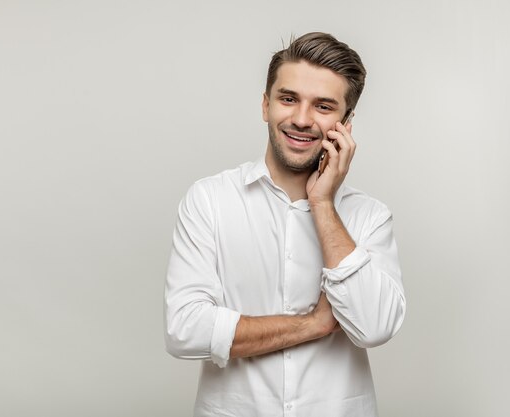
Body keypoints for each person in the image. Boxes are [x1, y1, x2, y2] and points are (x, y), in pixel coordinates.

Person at [164, 32, 406, 417]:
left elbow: (373, 327)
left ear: (346, 122)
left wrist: (322, 203)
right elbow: (185, 330)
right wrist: (315, 324)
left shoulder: (369, 217)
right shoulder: (209, 200)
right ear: (266, 104)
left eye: (323, 106)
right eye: (288, 98)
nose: (301, 119)